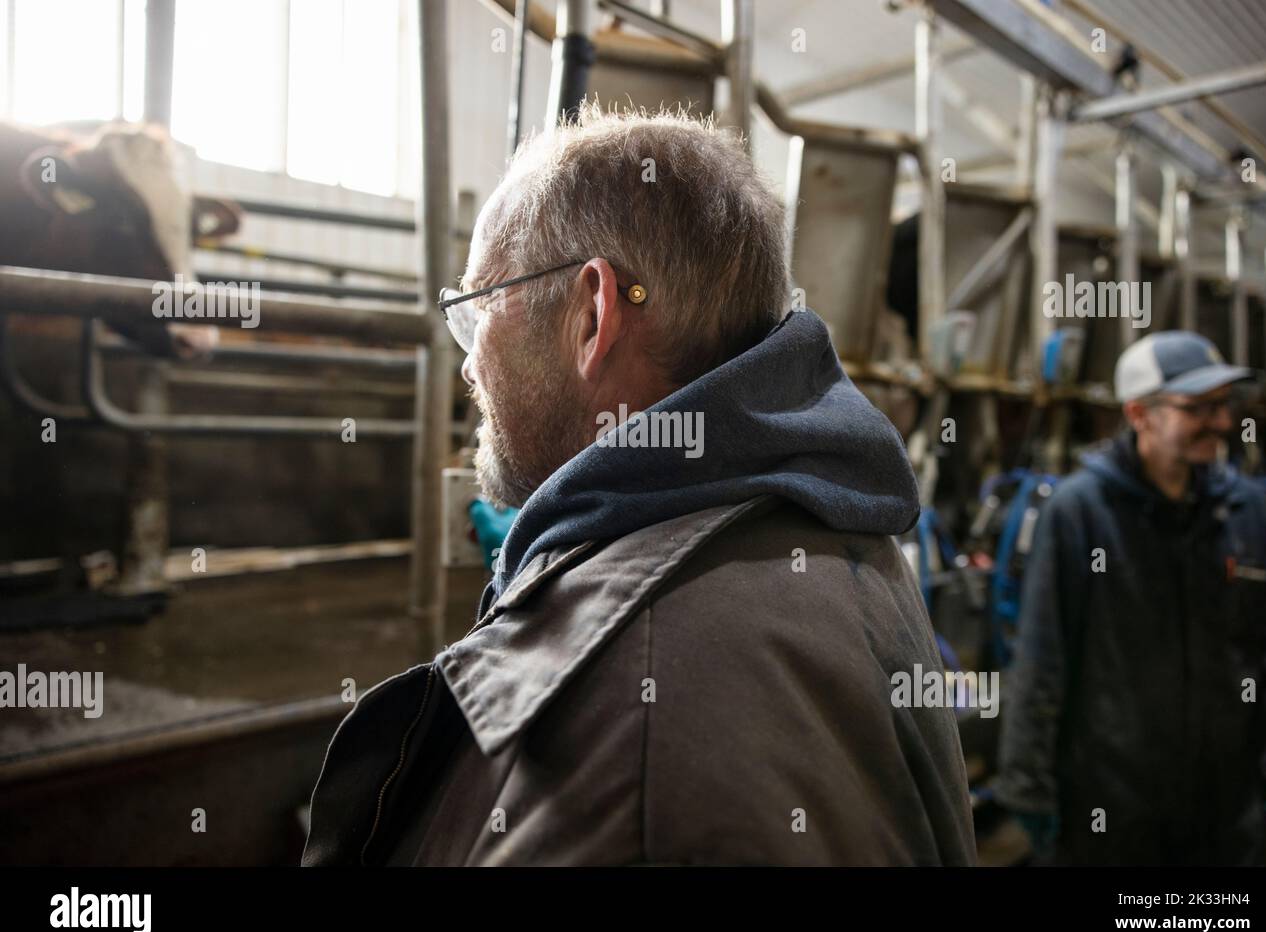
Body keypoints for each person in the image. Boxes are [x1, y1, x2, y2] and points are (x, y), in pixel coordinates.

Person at [301, 104, 976, 865]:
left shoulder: (632, 732)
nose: (466, 362)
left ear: (592, 314)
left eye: (481, 306)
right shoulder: (834, 532)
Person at [995, 330, 1266, 864]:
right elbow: (1042, 658)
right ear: (1139, 414)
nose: (1223, 423)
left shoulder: (1247, 513)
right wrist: (1026, 782)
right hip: (1113, 810)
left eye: (1223, 406)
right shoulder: (1081, 514)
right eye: (1198, 408)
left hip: (1229, 813)